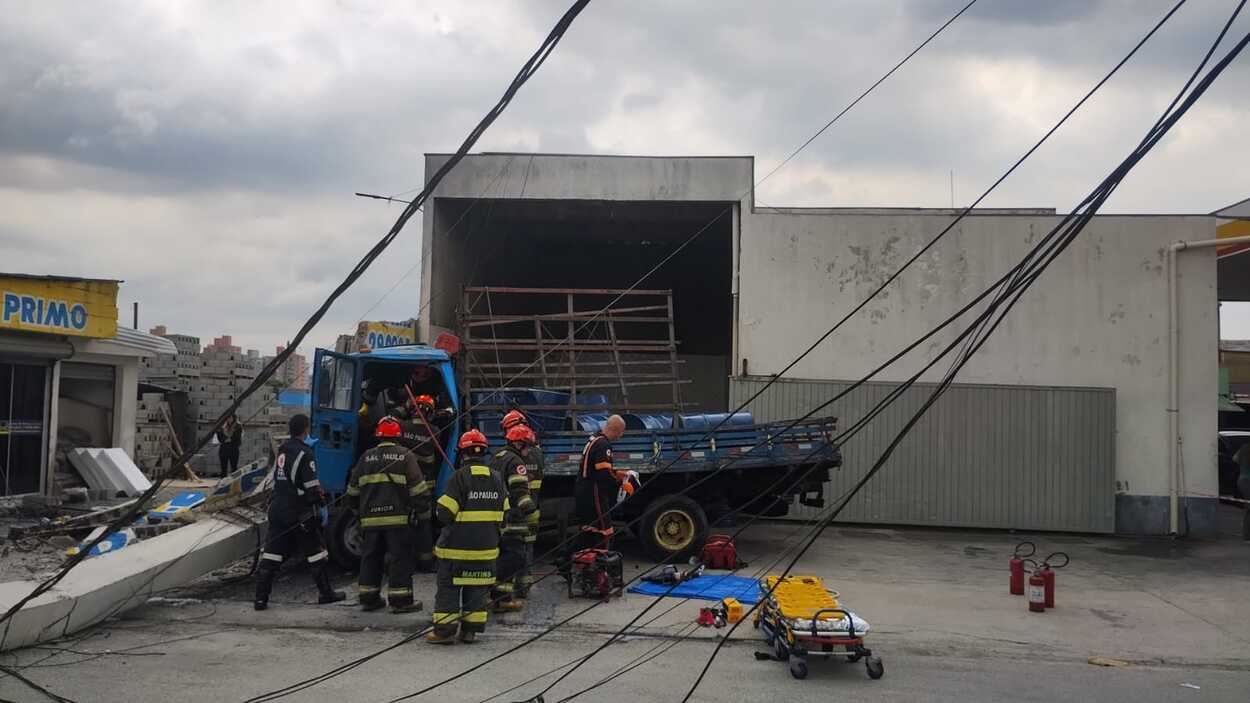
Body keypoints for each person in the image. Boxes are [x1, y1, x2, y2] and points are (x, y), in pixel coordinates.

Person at [254, 414, 345, 611]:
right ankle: (326, 593)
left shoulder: (283, 450)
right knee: (315, 553)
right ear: (305, 430)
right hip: (298, 510)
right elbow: (312, 487)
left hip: (278, 508)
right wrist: (322, 504)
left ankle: (260, 599)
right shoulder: (306, 453)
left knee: (271, 554)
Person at [427, 430, 508, 645]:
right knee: (477, 590)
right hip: (486, 549)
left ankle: (444, 632)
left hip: (456, 550)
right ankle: (470, 631)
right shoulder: (497, 478)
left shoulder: (458, 477)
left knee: (449, 591)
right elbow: (506, 512)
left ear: (462, 453)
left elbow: (445, 514)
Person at [345, 416, 431, 613]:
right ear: (397, 436)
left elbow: (352, 491)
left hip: (370, 522)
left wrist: (358, 513)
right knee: (400, 559)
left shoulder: (366, 457)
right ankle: (401, 602)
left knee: (370, 558)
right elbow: (418, 490)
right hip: (398, 521)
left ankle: (369, 598)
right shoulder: (405, 456)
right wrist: (420, 510)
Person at [489, 422, 539, 612]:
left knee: (502, 554)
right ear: (520, 444)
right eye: (528, 446)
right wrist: (531, 510)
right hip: (512, 518)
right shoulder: (516, 462)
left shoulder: (497, 457)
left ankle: (501, 599)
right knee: (515, 556)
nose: (529, 451)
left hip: (496, 515)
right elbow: (519, 492)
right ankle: (495, 591)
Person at [501, 410, 546, 600]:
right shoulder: (537, 453)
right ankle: (524, 586)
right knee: (526, 549)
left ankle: (512, 588)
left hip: (516, 511)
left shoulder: (507, 457)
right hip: (532, 507)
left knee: (512, 551)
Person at [572, 415, 631, 553]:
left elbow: (598, 468)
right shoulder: (603, 445)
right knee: (605, 531)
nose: (621, 436)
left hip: (584, 491)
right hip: (594, 494)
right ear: (617, 430)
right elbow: (603, 475)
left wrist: (616, 473)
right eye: (621, 432)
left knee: (588, 532)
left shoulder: (594, 439)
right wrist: (620, 482)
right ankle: (601, 566)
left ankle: (569, 559)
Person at [397, 393, 442, 572]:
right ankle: (425, 563)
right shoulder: (435, 431)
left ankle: (404, 561)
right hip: (424, 488)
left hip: (402, 486)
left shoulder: (401, 426)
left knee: (402, 524)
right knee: (424, 524)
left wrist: (404, 406)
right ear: (430, 413)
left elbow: (389, 419)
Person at [1236, 442, 1250, 540]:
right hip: (1247, 481)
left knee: (1248, 508)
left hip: (1241, 479)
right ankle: (1247, 536)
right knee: (1249, 509)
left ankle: (1246, 535)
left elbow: (1234, 458)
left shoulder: (1244, 447)